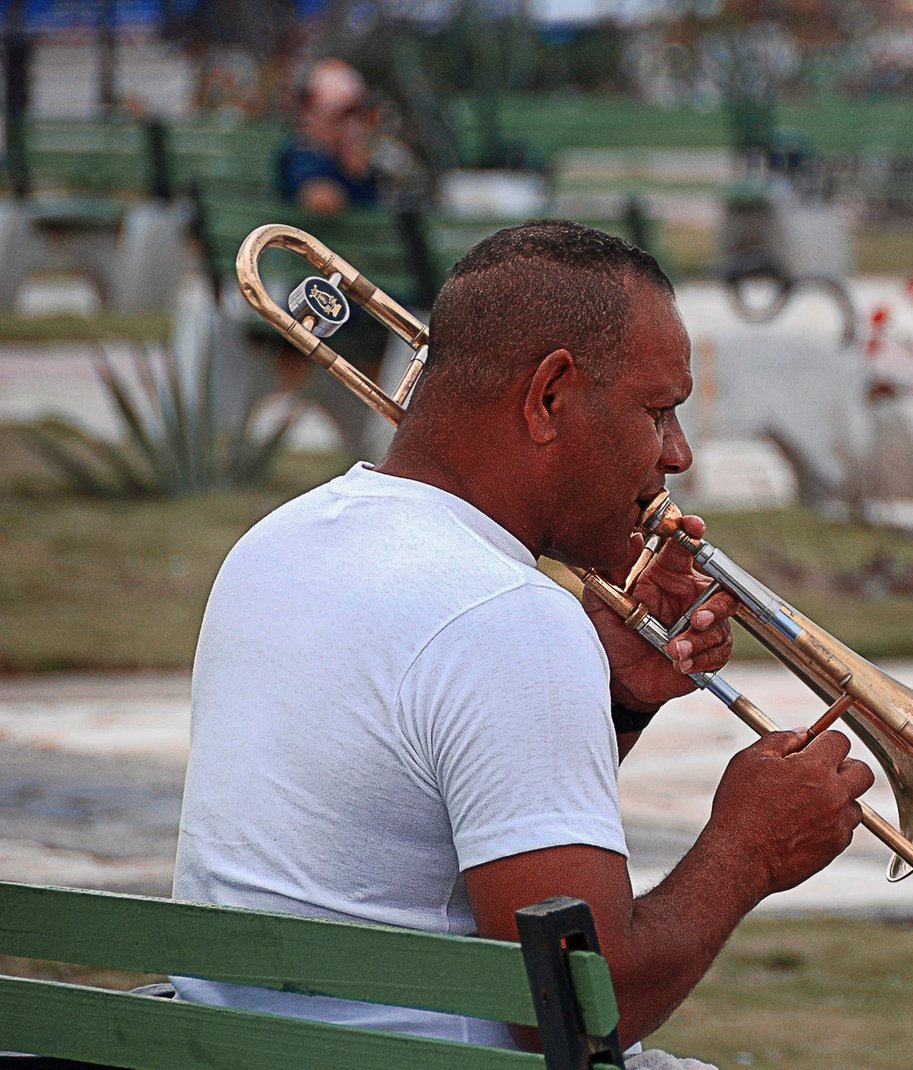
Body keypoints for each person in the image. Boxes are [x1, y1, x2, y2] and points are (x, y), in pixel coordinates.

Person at [172, 221, 875, 1059]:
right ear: (548, 397)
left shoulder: (275, 543)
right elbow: (574, 1007)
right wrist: (746, 852)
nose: (679, 455)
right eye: (658, 413)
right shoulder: (510, 617)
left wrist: (614, 701)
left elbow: (414, 832)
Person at [276, 58, 381, 213]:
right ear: (308, 113)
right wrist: (353, 172)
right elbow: (318, 197)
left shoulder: (347, 159)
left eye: (357, 115)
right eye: (340, 116)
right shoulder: (304, 154)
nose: (351, 125)